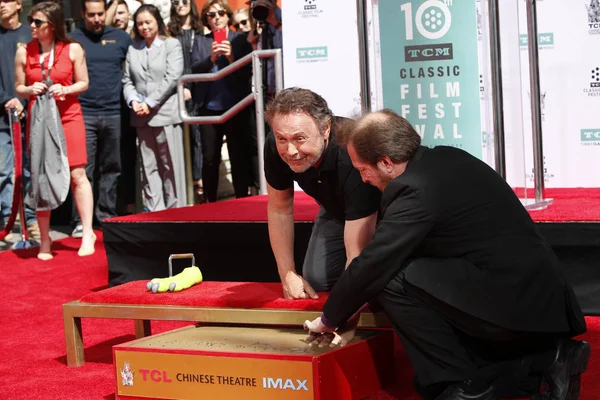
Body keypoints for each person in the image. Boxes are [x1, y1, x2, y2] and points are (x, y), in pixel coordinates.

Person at [303, 109, 589, 400]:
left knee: (391, 280)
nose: (362, 179)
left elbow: (374, 263)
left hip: (519, 302)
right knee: (407, 274)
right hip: (536, 295)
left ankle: (461, 384)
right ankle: (546, 359)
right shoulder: (445, 158)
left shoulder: (414, 190)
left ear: (387, 162)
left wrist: (329, 319)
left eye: (363, 169)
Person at [264, 88, 381, 305]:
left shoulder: (353, 154)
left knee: (371, 280)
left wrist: (339, 319)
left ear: (325, 128)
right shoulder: (275, 144)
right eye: (282, 138)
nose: (290, 150)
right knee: (318, 278)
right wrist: (287, 274)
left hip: (383, 211)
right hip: (336, 208)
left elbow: (355, 253)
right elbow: (280, 208)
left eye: (300, 139)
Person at [15, 1, 96, 260]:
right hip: (39, 120)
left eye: (37, 22)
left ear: (52, 25)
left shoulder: (73, 49)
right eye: (31, 21)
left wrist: (66, 89)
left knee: (77, 174)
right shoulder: (23, 52)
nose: (32, 26)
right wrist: (29, 90)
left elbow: (84, 83)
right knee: (40, 178)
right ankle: (45, 242)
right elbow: (19, 86)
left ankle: (87, 233)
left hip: (69, 116)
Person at [70, 0, 132, 237]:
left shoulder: (120, 37)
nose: (96, 19)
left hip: (114, 113)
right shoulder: (73, 38)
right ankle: (79, 221)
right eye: (91, 15)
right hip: (83, 113)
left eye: (100, 14)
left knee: (111, 168)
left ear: (106, 13)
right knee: (82, 170)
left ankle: (104, 216)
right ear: (83, 14)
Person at [122, 4, 185, 211]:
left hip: (165, 113)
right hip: (141, 116)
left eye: (148, 22)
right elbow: (127, 80)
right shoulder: (133, 48)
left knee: (170, 166)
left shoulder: (171, 45)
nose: (144, 27)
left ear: (157, 21)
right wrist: (134, 101)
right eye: (140, 23)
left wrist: (150, 102)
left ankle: (176, 212)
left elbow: (172, 77)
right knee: (148, 167)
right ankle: (154, 211)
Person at [190, 0, 253, 202]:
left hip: (235, 106)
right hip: (209, 108)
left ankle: (242, 199)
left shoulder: (240, 39)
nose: (216, 17)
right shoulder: (200, 41)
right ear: (206, 19)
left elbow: (249, 72)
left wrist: (232, 57)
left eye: (220, 13)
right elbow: (194, 68)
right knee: (209, 158)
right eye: (211, 15)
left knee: (238, 156)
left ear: (227, 15)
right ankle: (209, 202)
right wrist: (211, 59)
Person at [0, 0, 39, 241]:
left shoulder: (29, 34)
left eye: (6, 0)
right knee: (4, 170)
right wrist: (8, 100)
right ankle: (6, 219)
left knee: (29, 170)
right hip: (2, 115)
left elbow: (35, 71)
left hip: (29, 113)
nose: (1, 5)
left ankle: (31, 219)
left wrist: (22, 101)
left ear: (18, 4)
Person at [167, 0, 204, 203]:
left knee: (198, 136)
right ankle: (186, 183)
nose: (180, 4)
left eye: (184, 1)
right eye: (175, 2)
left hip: (200, 86)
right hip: (178, 88)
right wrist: (181, 86)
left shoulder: (200, 29)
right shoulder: (169, 30)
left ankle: (199, 180)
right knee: (184, 136)